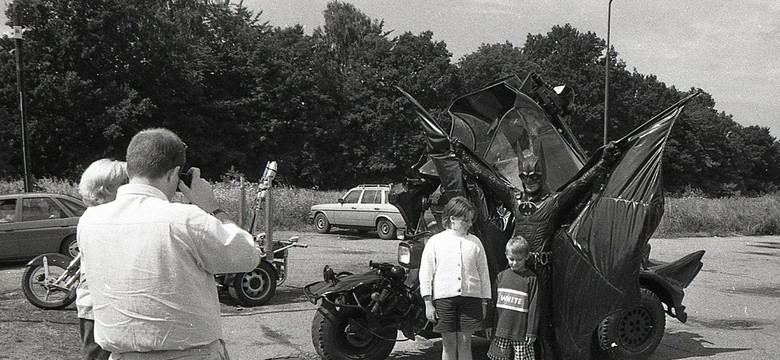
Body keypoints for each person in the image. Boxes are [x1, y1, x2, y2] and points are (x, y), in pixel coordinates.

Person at [78, 128, 261, 360]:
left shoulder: (90, 221)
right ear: (174, 173)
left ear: (130, 168)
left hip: (122, 354)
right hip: (189, 354)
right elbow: (247, 256)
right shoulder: (186, 219)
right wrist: (213, 208)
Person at [419, 196, 492, 360]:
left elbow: (484, 273)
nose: (469, 224)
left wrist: (484, 301)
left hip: (471, 300)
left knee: (465, 344)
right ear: (452, 218)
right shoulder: (436, 241)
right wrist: (428, 303)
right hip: (445, 300)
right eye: (465, 220)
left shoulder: (475, 242)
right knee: (449, 344)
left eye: (471, 220)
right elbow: (426, 273)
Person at [76, 158, 127, 360]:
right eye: (125, 183)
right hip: (99, 307)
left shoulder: (92, 216)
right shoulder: (103, 219)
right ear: (107, 189)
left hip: (95, 305)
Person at [488, 236, 540, 360]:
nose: (515, 263)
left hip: (521, 333)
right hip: (500, 330)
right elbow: (493, 302)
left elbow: (534, 306)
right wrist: (489, 324)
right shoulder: (501, 277)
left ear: (527, 257)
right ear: (506, 254)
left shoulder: (531, 279)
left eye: (519, 260)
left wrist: (531, 331)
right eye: (511, 259)